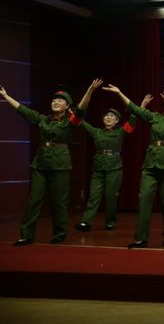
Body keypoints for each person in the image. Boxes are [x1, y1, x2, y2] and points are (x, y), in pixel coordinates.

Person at [1, 79, 102, 246]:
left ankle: (59, 235)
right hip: (40, 163)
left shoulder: (71, 121)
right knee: (34, 200)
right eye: (54, 100)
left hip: (60, 164)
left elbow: (81, 108)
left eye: (60, 101)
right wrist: (6, 96)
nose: (56, 102)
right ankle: (26, 235)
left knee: (59, 202)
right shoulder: (43, 119)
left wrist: (90, 90)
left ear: (67, 106)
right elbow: (24, 111)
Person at [103, 82, 164, 248]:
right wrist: (119, 92)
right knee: (144, 199)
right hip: (151, 162)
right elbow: (136, 109)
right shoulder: (155, 116)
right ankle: (140, 238)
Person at [74, 94, 152, 232]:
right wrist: (73, 113)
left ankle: (110, 221)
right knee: (93, 196)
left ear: (117, 120)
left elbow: (133, 120)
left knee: (111, 196)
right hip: (98, 167)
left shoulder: (121, 131)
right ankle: (86, 222)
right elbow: (82, 123)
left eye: (112, 116)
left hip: (114, 168)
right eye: (106, 116)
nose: (108, 118)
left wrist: (142, 106)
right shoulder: (97, 132)